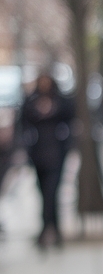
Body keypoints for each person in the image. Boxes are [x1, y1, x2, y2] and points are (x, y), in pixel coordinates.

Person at [20, 72, 75, 249]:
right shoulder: (31, 101)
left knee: (52, 192)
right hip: (38, 154)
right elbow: (23, 122)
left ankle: (49, 229)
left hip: (56, 154)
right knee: (43, 192)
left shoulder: (60, 101)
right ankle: (51, 228)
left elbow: (70, 116)